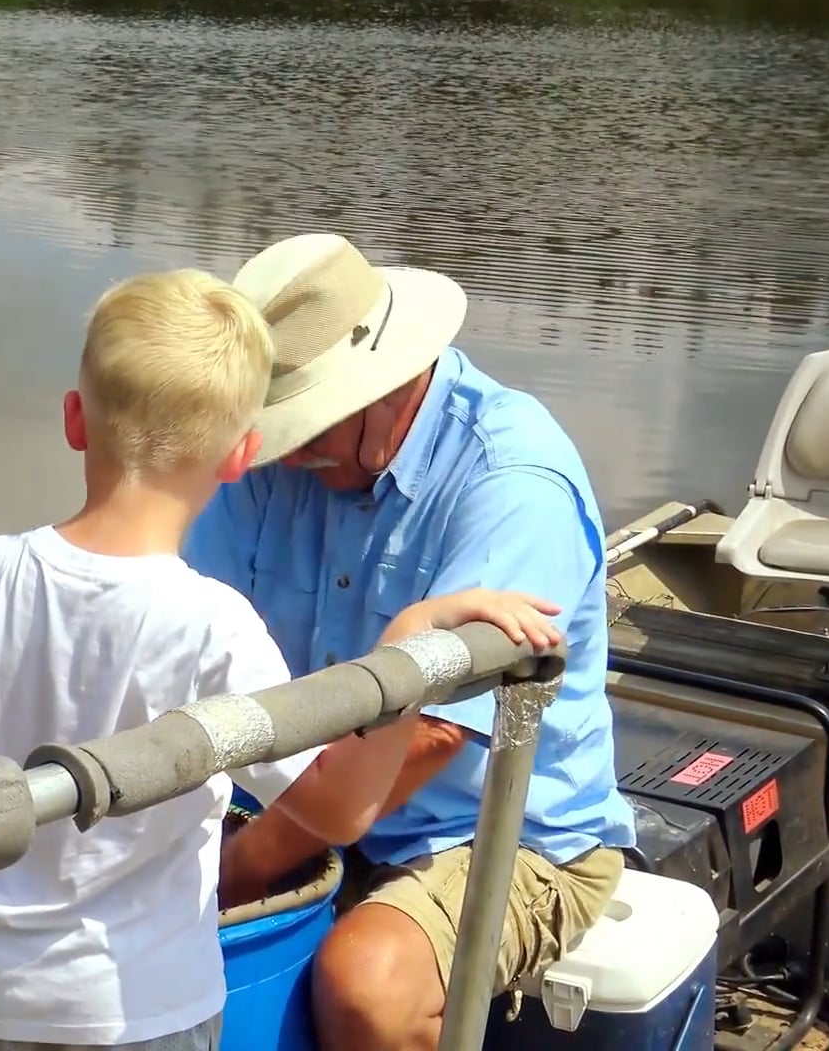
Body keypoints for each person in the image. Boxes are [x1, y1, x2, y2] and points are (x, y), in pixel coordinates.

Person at [0, 268, 565, 1051]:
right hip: (143, 1014)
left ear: (75, 420)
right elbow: (337, 809)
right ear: (242, 454)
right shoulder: (215, 623)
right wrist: (409, 649)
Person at [182, 232, 639, 1051]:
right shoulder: (274, 464)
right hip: (305, 796)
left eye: (308, 429)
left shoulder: (511, 480)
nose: (289, 455)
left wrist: (235, 871)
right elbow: (180, 637)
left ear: (393, 383)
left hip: (499, 830)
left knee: (365, 988)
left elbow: (429, 737)